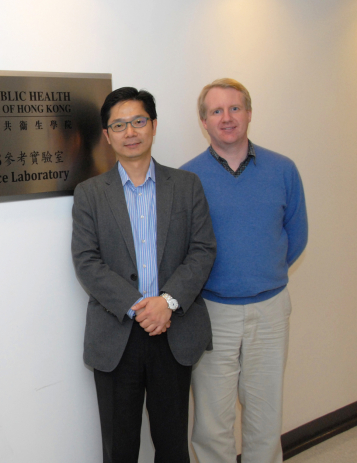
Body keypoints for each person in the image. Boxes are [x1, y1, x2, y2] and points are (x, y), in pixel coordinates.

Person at [71, 87, 216, 462]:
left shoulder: (186, 186)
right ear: (107, 135)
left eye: (138, 121)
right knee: (120, 448)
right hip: (117, 336)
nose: (130, 132)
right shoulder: (89, 194)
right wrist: (140, 306)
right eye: (119, 125)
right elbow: (87, 261)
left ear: (153, 126)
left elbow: (202, 250)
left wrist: (166, 303)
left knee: (172, 446)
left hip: (173, 330)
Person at [182, 78, 308, 463]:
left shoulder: (283, 169)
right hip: (210, 313)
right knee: (211, 422)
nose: (227, 118)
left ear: (249, 113)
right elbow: (182, 249)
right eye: (216, 111)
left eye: (235, 108)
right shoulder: (187, 180)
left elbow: (297, 235)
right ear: (203, 122)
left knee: (265, 416)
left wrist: (259, 274)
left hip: (270, 311)